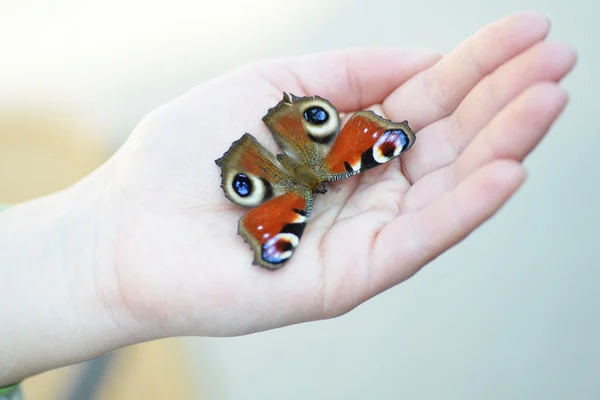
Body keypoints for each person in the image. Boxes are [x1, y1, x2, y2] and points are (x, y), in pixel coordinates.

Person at [0, 11, 576, 394]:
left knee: (323, 180)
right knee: (350, 160)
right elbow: (344, 167)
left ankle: (275, 160)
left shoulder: (298, 194)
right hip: (308, 162)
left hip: (277, 174)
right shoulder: (320, 179)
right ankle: (316, 139)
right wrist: (354, 153)